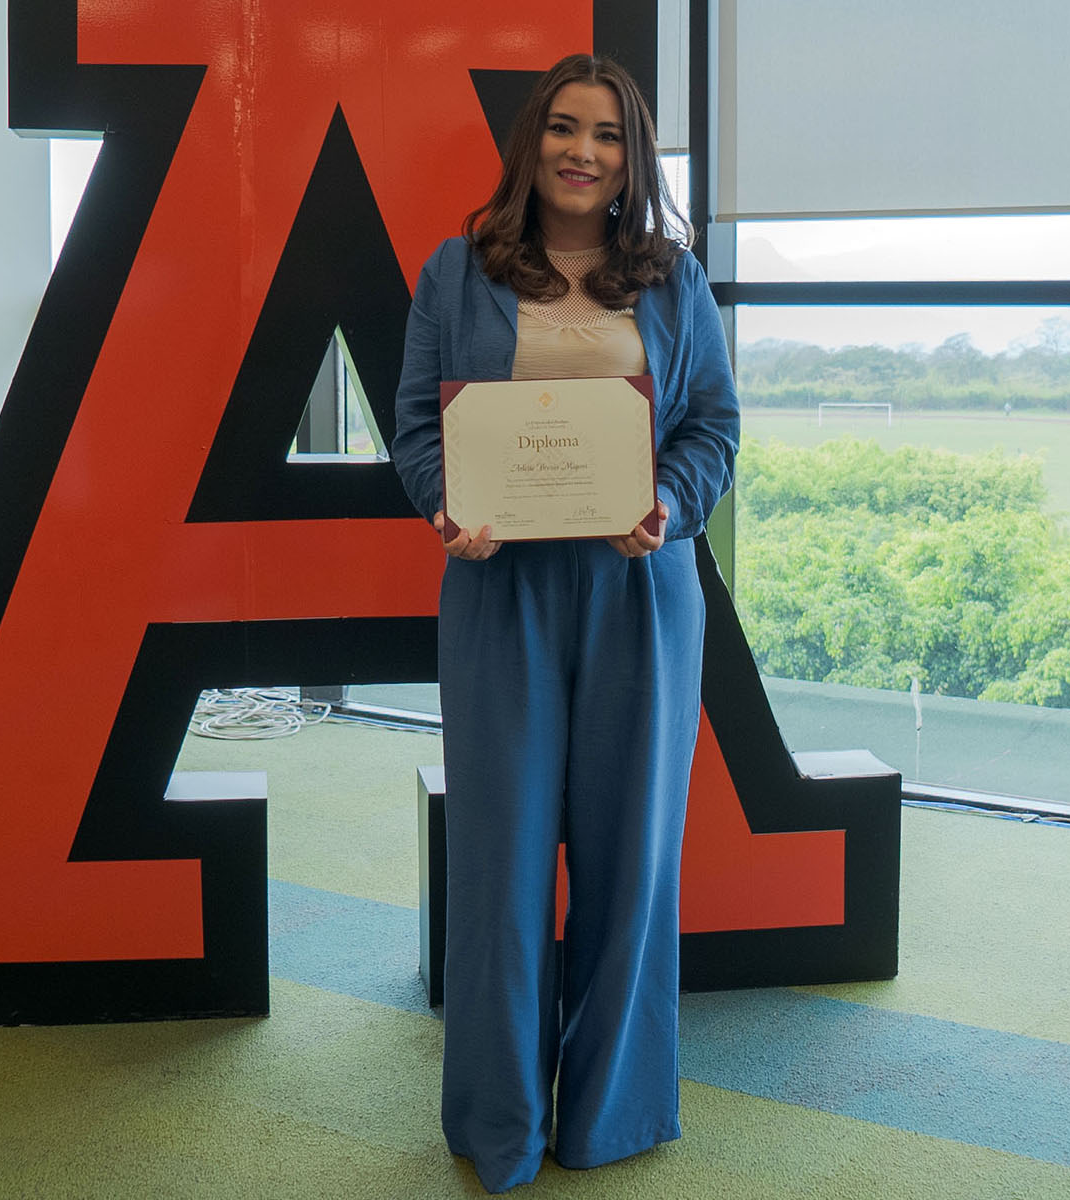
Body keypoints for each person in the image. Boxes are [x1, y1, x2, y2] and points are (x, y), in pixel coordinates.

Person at [390, 54, 740, 1193]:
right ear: (531, 143)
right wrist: (447, 504)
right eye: (563, 129)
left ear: (634, 158)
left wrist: (672, 504)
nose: (583, 153)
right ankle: (498, 1128)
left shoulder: (677, 282)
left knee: (631, 856)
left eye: (609, 136)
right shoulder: (457, 273)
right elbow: (415, 423)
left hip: (640, 592)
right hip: (500, 594)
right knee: (497, 864)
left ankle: (609, 1115)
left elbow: (713, 431)